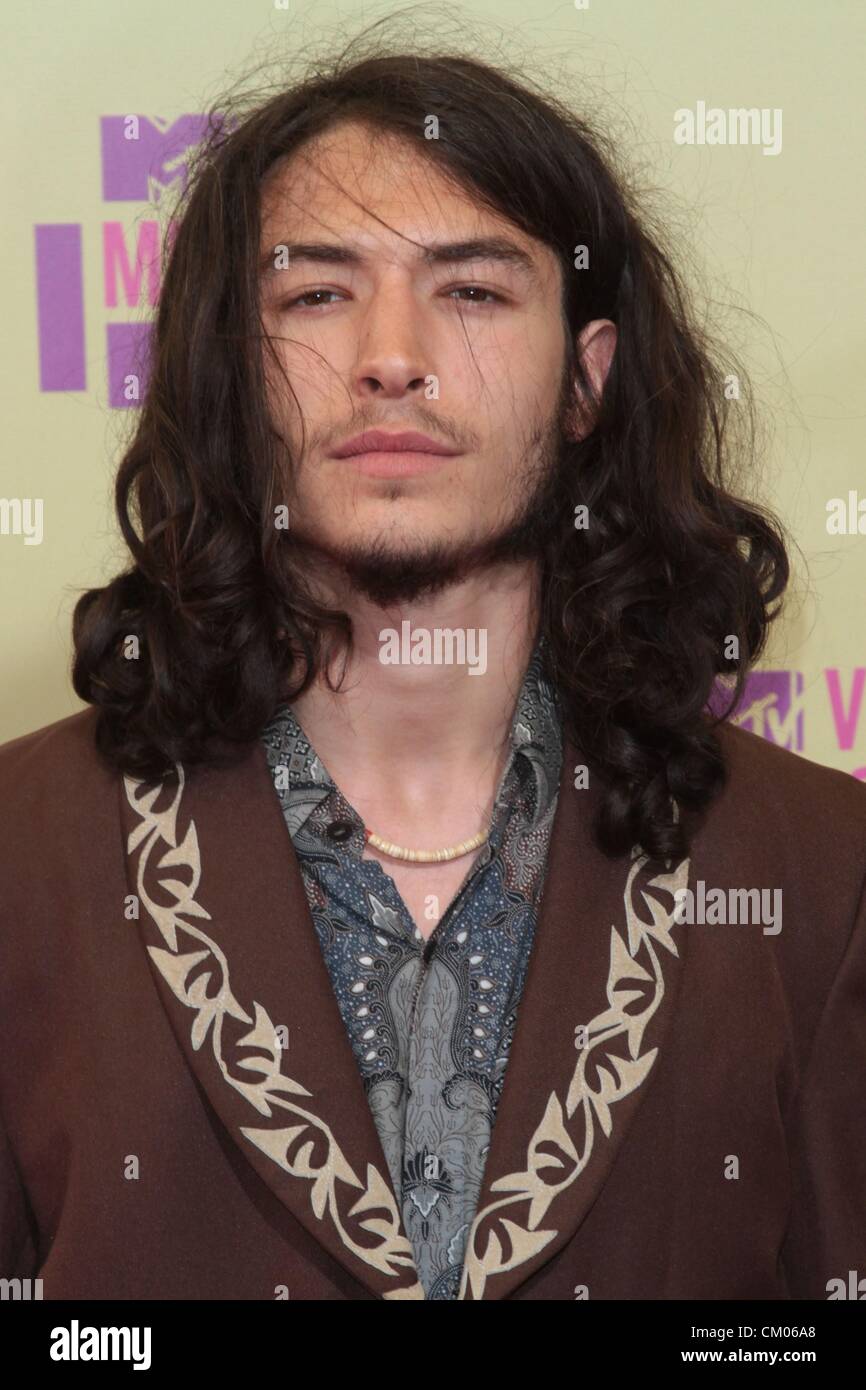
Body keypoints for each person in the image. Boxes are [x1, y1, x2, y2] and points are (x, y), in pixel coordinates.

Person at [1, 44, 864, 1303]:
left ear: (584, 379)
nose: (390, 356)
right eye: (315, 295)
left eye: (469, 292)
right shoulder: (23, 855)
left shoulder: (816, 866)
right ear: (233, 374)